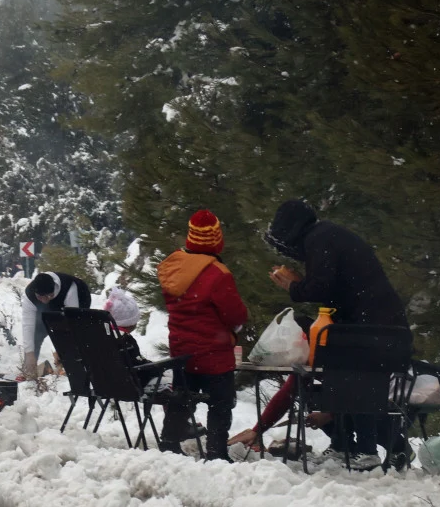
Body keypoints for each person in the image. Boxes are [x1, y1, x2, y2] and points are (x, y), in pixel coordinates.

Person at [230, 199, 411, 470]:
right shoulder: (326, 236)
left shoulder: (319, 239)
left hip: (375, 330)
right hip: (377, 326)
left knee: (348, 379)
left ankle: (366, 450)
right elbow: (334, 287)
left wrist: (293, 285)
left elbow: (321, 288)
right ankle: (345, 445)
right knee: (339, 379)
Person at [157, 209, 248, 460]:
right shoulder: (218, 274)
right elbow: (236, 316)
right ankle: (216, 452)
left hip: (182, 352)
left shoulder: (172, 268)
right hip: (213, 354)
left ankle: (169, 443)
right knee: (220, 403)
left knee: (181, 398)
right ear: (217, 240)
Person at [20, 271, 91, 378]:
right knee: (36, 334)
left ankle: (75, 367)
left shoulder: (69, 289)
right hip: (50, 309)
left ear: (53, 290)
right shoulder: (29, 295)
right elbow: (28, 325)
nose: (44, 300)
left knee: (74, 334)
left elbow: (72, 323)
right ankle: (30, 368)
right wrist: (29, 353)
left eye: (48, 296)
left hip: (80, 300)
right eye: (40, 297)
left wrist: (63, 349)